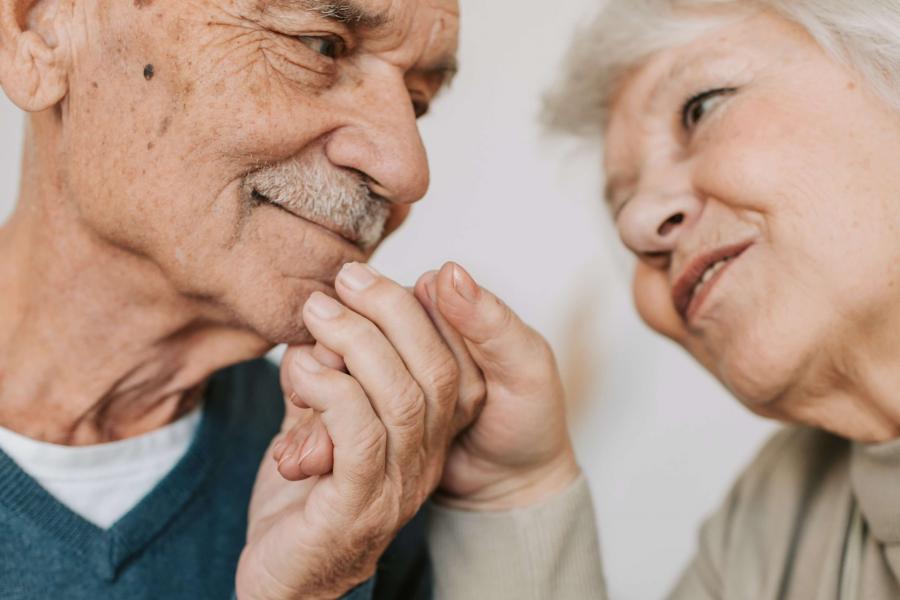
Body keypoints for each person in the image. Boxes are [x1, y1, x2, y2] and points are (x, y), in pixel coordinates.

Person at [0, 0, 597, 598]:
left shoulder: (360, 498)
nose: (407, 172)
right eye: (318, 46)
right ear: (40, 28)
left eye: (418, 104)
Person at [420, 0, 900, 597]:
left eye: (700, 109)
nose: (636, 226)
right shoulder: (769, 520)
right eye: (621, 206)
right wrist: (514, 492)